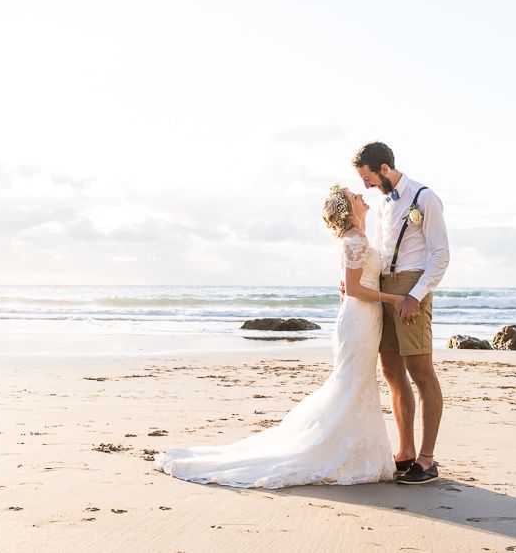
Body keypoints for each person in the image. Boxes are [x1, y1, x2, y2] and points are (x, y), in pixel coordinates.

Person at [154, 185, 405, 488]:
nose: (362, 198)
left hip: (363, 320)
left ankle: (360, 452)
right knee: (351, 383)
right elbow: (352, 289)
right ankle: (342, 452)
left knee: (358, 382)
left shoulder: (360, 239)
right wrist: (393, 299)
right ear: (348, 210)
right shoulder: (354, 241)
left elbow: (348, 289)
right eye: (355, 197)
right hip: (360, 320)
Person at [353, 141, 450, 485]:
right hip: (383, 289)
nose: (366, 186)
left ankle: (427, 459)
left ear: (384, 168)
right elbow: (378, 252)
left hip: (411, 288)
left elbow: (440, 255)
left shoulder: (425, 198)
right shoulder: (380, 207)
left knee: (420, 371)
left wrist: (416, 295)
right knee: (392, 370)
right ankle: (406, 452)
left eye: (368, 178)